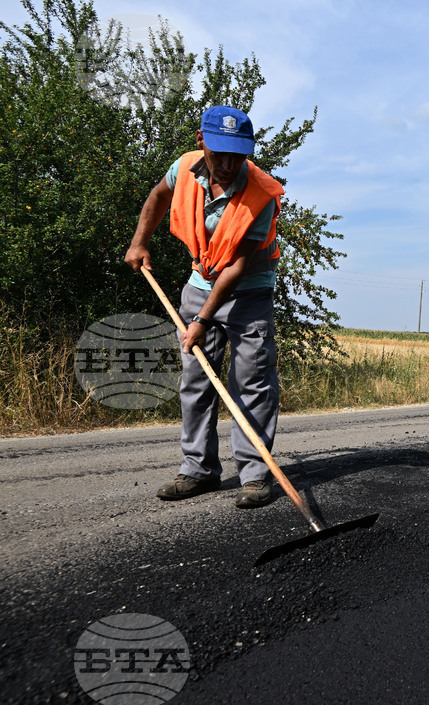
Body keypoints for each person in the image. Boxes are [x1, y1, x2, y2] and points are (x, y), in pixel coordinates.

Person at [124, 105, 284, 509]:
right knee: (196, 381)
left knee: (251, 384)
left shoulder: (261, 194)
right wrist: (140, 242)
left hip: (247, 293)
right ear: (201, 141)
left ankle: (255, 475)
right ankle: (199, 470)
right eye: (219, 154)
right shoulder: (184, 168)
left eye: (238, 156)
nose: (228, 165)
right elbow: (158, 196)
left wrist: (200, 320)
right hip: (201, 283)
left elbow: (236, 268)